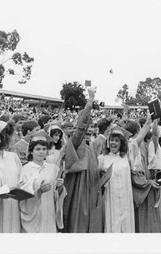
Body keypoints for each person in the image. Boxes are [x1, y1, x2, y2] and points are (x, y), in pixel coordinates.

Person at [63, 87, 103, 233]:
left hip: (91, 191)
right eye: (87, 128)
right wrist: (90, 101)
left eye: (92, 128)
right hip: (78, 194)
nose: (89, 130)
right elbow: (81, 126)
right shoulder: (75, 143)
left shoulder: (90, 147)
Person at [20, 131, 63, 233]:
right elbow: (23, 195)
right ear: (31, 151)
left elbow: (57, 194)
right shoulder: (25, 170)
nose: (41, 152)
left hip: (49, 209)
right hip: (34, 210)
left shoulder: (53, 168)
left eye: (44, 149)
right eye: (38, 149)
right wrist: (38, 192)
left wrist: (57, 186)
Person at [98, 125, 135, 232]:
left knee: (126, 223)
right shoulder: (102, 158)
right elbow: (97, 178)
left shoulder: (126, 157)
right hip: (110, 197)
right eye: (111, 140)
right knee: (112, 223)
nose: (113, 143)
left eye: (116, 140)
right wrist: (101, 174)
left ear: (121, 143)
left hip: (125, 197)